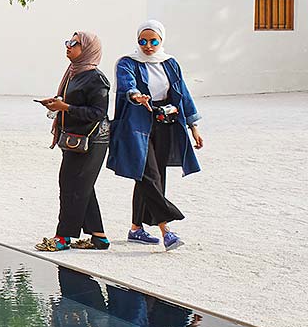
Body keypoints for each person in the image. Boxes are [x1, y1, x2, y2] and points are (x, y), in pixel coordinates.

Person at [106, 18, 206, 250]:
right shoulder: (127, 62)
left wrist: (194, 126)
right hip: (137, 123)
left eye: (153, 41)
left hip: (165, 122)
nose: (148, 46)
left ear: (161, 40)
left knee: (153, 176)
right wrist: (136, 95)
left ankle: (135, 229)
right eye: (143, 41)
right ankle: (166, 230)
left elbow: (183, 93)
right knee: (148, 173)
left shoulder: (170, 63)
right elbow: (126, 84)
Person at [37, 31, 112, 252]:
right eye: (68, 42)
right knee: (80, 186)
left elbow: (99, 112)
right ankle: (99, 237)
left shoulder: (96, 78)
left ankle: (63, 237)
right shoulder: (73, 73)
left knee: (73, 186)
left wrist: (66, 108)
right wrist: (58, 104)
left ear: (88, 48)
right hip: (74, 138)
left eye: (74, 43)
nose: (68, 47)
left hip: (93, 140)